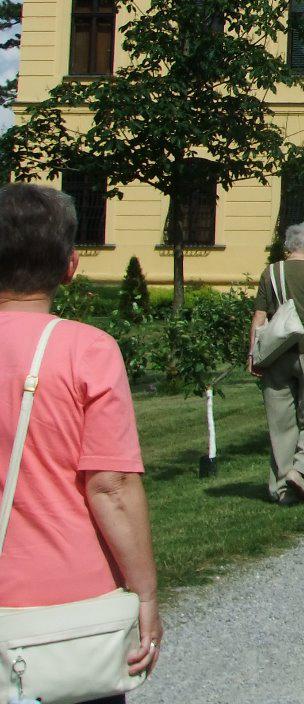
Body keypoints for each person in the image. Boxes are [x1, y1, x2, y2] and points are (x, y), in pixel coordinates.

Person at [0, 184, 162, 698]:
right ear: (71, 266)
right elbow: (110, 486)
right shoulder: (87, 350)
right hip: (66, 603)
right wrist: (146, 593)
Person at [248, 222, 304, 504]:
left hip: (276, 353)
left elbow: (260, 317)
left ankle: (281, 491)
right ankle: (300, 470)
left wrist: (253, 353)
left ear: (289, 246)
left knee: (281, 423)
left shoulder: (271, 272)